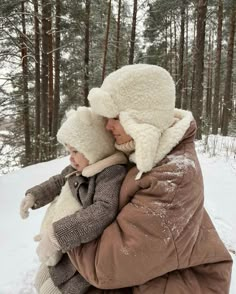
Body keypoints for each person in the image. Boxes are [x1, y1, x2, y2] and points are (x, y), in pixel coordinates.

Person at [68, 64, 233, 293]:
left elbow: (104, 266)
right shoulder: (141, 151)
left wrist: (65, 220)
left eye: (115, 116)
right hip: (158, 274)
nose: (107, 125)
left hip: (184, 284)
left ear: (141, 117)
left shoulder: (172, 179)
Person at [20, 107, 127, 294]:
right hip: (65, 250)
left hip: (82, 256)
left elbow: (103, 210)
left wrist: (58, 235)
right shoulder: (78, 168)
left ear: (94, 147)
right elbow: (58, 181)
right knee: (39, 282)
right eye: (69, 151)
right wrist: (34, 196)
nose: (71, 158)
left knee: (49, 291)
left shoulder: (110, 173)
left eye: (76, 151)